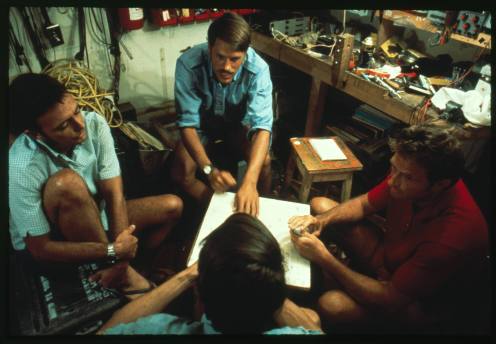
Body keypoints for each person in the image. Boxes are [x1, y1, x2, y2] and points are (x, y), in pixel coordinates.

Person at [288, 124, 489, 333]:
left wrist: (325, 259)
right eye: (393, 168)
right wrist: (321, 221)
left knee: (332, 305)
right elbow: (363, 204)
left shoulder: (452, 235)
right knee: (322, 207)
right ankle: (351, 281)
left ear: (439, 185)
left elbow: (391, 298)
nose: (393, 180)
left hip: (413, 306)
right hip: (392, 261)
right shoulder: (407, 171)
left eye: (407, 177)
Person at [9, 73, 183, 296]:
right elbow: (40, 249)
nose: (80, 125)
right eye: (64, 126)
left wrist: (120, 259)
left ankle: (129, 271)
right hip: (53, 244)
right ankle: (127, 280)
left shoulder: (95, 124)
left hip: (94, 219)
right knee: (67, 183)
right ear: (35, 134)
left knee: (172, 206)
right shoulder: (20, 166)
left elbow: (114, 195)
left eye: (77, 110)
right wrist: (112, 251)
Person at [99, 213, 323, 334]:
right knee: (312, 317)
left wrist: (185, 275)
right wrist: (263, 282)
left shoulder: (160, 329)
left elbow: (105, 333)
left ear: (198, 291)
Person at [171, 12, 273, 217]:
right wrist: (209, 170)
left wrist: (250, 183)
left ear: (245, 53)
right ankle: (219, 213)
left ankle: (261, 212)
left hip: (237, 126)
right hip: (201, 125)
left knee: (264, 162)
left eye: (235, 59)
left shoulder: (259, 69)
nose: (226, 67)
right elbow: (187, 125)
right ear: (210, 48)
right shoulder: (187, 64)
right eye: (220, 57)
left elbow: (262, 128)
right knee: (182, 171)